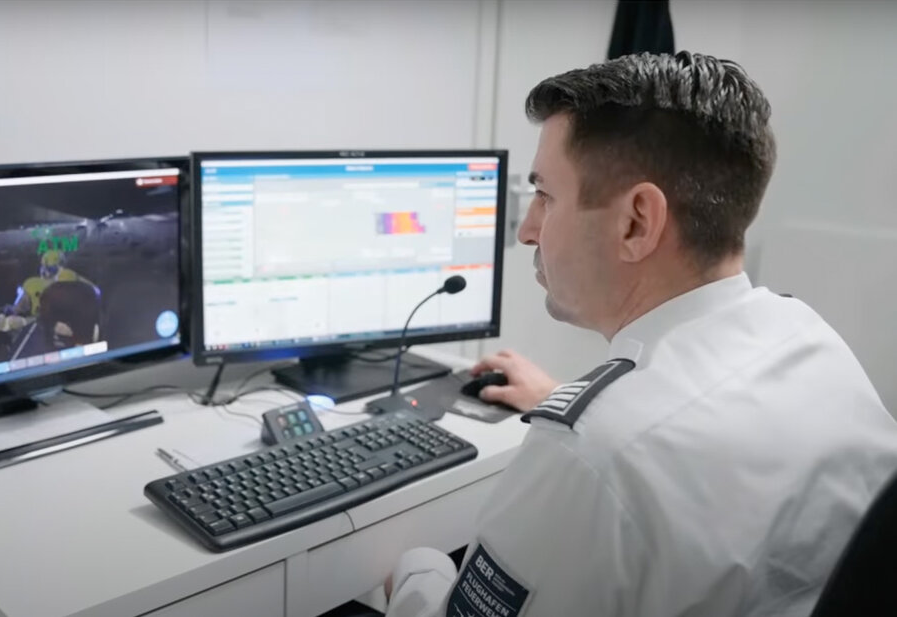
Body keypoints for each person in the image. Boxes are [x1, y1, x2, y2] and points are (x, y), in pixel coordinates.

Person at [383, 52, 897, 617]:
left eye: (546, 196)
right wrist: (579, 408)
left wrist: (419, 570)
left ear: (636, 223)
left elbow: (619, 450)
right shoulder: (808, 341)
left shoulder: (589, 454)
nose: (528, 231)